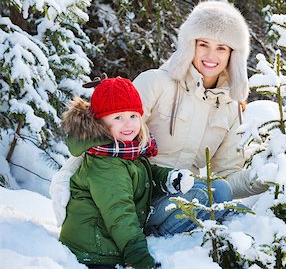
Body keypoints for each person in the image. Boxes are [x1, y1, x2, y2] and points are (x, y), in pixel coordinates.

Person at [133, 0, 266, 236]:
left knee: (232, 206)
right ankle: (160, 240)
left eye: (221, 48)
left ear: (233, 56)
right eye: (203, 44)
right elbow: (106, 141)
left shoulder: (231, 108)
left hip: (181, 201)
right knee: (213, 195)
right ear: (190, 44)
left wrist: (270, 176)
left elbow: (227, 176)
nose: (210, 55)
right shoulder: (154, 82)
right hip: (136, 197)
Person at [57, 77, 194, 269]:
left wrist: (168, 178)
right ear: (100, 123)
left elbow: (140, 172)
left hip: (110, 239)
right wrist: (137, 256)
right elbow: (119, 212)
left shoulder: (125, 149)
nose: (128, 124)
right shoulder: (106, 162)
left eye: (133, 116)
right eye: (118, 117)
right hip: (95, 251)